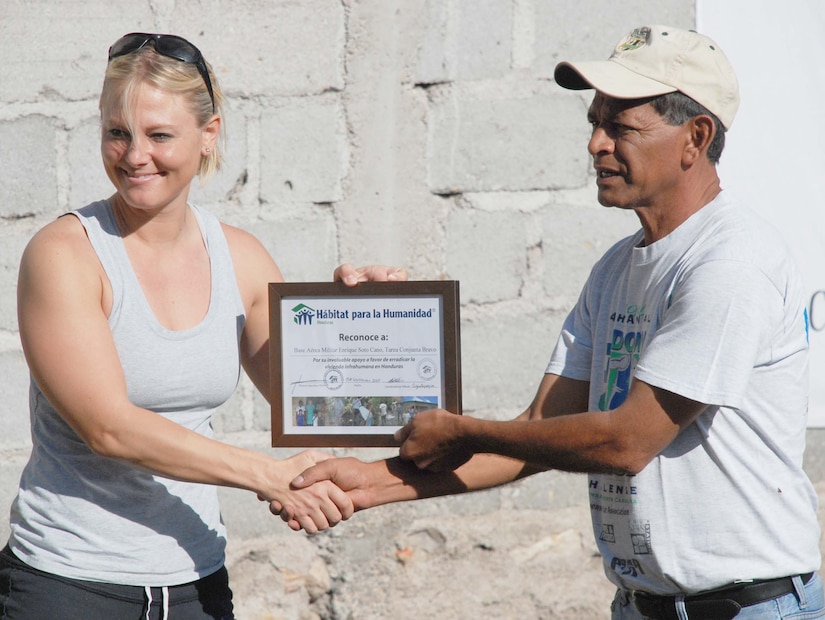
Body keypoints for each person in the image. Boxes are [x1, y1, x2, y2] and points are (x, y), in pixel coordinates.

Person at [286, 25, 824, 620]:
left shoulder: (731, 261)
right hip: (645, 607)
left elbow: (625, 442)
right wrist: (369, 484)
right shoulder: (616, 269)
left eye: (620, 127)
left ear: (695, 138)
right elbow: (537, 435)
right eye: (594, 123)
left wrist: (463, 432)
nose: (596, 143)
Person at [2, 32, 405, 620]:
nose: (135, 154)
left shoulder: (239, 257)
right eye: (118, 133)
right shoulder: (65, 254)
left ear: (208, 134)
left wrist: (378, 323)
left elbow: (328, 405)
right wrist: (266, 476)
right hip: (69, 586)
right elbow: (110, 429)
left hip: (196, 582)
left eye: (159, 135)